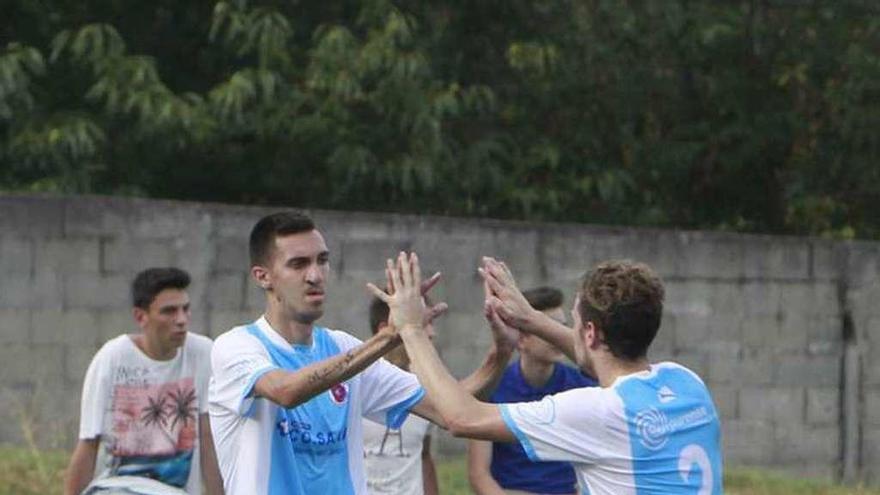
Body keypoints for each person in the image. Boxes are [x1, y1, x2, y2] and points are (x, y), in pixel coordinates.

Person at [208, 211, 514, 494]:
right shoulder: (236, 346)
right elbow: (285, 390)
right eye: (298, 264)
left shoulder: (343, 348)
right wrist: (393, 335)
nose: (315, 275)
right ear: (263, 277)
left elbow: (450, 409)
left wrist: (500, 353)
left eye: (322, 260)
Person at [372, 253, 723, 495]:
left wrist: (412, 329)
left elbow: (461, 418)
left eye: (570, 322)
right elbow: (600, 360)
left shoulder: (598, 411)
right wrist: (530, 319)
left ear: (589, 332)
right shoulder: (687, 383)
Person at [64, 267, 223, 495]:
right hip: (114, 488)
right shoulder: (113, 358)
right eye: (169, 311)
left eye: (185, 309)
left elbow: (209, 439)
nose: (181, 320)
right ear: (141, 316)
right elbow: (88, 442)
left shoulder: (202, 353)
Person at [468, 286, 597, 495]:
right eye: (546, 328)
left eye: (562, 327)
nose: (557, 335)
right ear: (521, 338)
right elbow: (479, 475)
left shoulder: (583, 386)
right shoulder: (492, 388)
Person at [362, 297, 438, 495]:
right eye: (421, 325)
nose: (431, 333)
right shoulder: (354, 385)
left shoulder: (426, 385)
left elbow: (424, 455)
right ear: (385, 330)